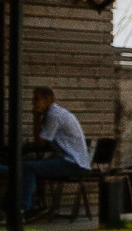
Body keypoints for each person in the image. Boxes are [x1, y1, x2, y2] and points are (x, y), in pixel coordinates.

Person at [23, 85, 93, 215]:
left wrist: (36, 117)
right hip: (69, 159)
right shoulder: (55, 113)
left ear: (47, 100)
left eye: (36, 99)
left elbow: (40, 143)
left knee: (29, 167)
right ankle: (34, 205)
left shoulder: (54, 116)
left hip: (72, 162)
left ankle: (25, 208)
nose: (33, 103)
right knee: (31, 165)